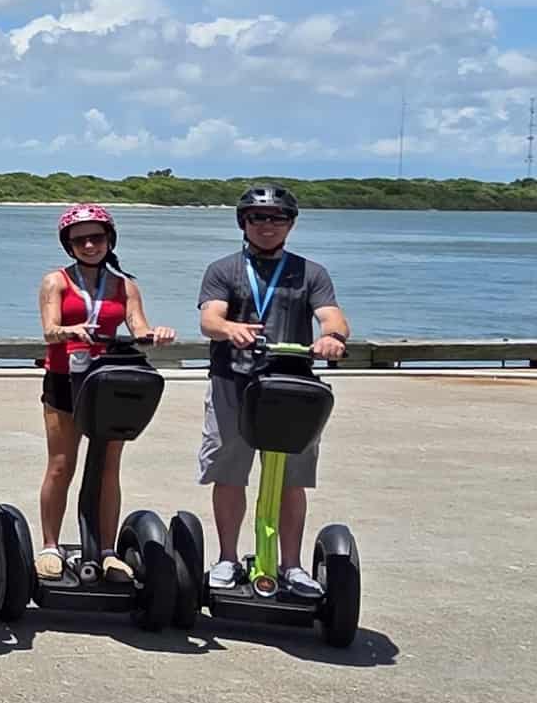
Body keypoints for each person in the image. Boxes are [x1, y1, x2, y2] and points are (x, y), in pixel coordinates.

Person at [195, 182, 350, 596]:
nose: (267, 225)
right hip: (234, 382)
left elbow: (332, 316)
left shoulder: (310, 272)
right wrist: (230, 328)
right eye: (258, 218)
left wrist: (332, 338)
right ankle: (227, 558)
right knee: (229, 472)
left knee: (291, 479)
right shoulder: (223, 270)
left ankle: (292, 565)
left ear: (291, 224)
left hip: (291, 386)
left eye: (277, 218)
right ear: (243, 223)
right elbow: (210, 319)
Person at [32, 203, 172, 580]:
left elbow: (139, 328)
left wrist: (156, 335)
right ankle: (50, 545)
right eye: (80, 240)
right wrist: (68, 331)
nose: (90, 245)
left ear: (109, 240)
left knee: (109, 466)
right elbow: (49, 329)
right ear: (69, 245)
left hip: (109, 382)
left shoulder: (125, 285)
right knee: (61, 464)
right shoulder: (56, 281)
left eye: (96, 238)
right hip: (65, 379)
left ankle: (107, 549)